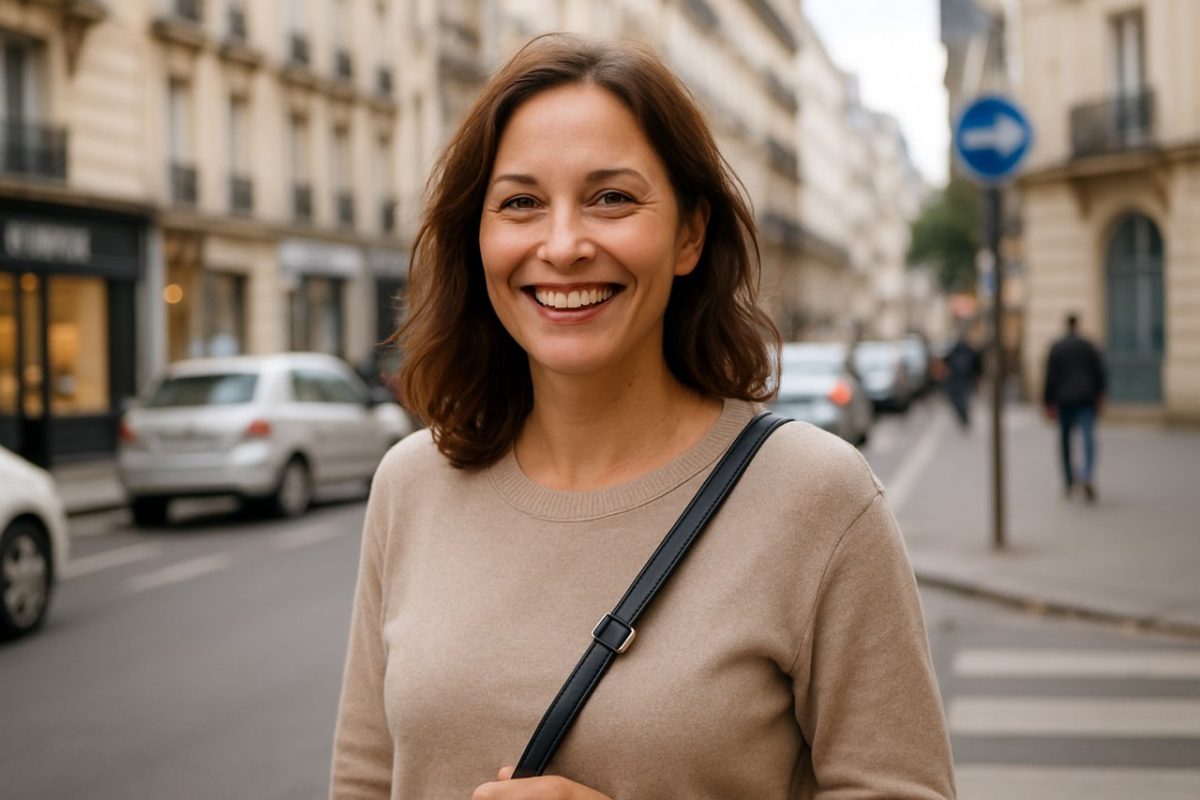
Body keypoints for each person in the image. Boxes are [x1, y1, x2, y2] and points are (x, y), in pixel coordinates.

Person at [330, 34, 954, 800]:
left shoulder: (817, 498)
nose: (562, 246)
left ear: (690, 233)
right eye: (521, 202)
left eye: (612, 198)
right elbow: (365, 778)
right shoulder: (412, 484)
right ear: (478, 235)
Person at [1043, 313, 1107, 502]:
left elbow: (1050, 377)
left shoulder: (1057, 347)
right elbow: (1100, 372)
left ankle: (1069, 480)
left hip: (1064, 400)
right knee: (1088, 438)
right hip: (1086, 398)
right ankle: (1086, 473)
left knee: (1065, 441)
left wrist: (1048, 402)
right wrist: (1100, 395)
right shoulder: (1088, 346)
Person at [942, 328, 982, 429]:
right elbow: (977, 365)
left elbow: (946, 361)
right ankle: (963, 415)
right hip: (963, 380)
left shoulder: (957, 350)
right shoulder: (965, 350)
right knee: (962, 399)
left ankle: (963, 415)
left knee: (960, 399)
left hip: (960, 380)